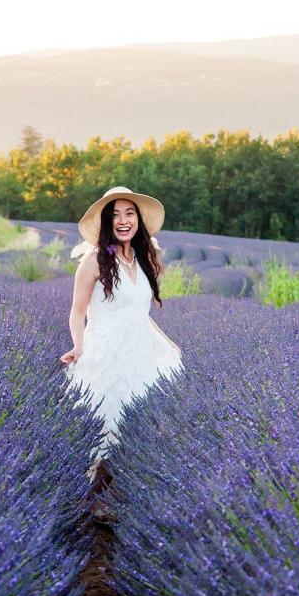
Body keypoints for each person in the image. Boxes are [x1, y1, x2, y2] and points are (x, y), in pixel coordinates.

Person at [59, 186, 184, 489]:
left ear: (139, 219)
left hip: (138, 352)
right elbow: (77, 312)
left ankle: (125, 493)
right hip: (105, 351)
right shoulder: (94, 261)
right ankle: (92, 498)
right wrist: (78, 345)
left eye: (130, 213)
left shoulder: (144, 260)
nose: (123, 220)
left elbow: (140, 314)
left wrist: (168, 343)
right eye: (115, 215)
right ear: (106, 221)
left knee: (136, 425)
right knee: (104, 422)